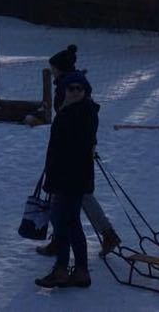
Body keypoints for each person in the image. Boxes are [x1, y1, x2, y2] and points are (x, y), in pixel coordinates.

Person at [36, 45, 120, 259]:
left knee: (72, 197)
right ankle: (97, 235)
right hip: (70, 154)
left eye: (53, 67)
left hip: (71, 157)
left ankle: (99, 235)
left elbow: (74, 121)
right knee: (74, 197)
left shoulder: (69, 87)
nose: (52, 71)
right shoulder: (74, 85)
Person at [35, 71, 98, 289]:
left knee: (62, 223)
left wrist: (58, 176)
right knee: (70, 223)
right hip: (67, 177)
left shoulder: (82, 113)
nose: (74, 92)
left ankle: (62, 269)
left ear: (85, 91)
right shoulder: (71, 109)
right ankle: (80, 271)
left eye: (78, 89)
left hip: (71, 179)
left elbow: (75, 149)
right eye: (70, 88)